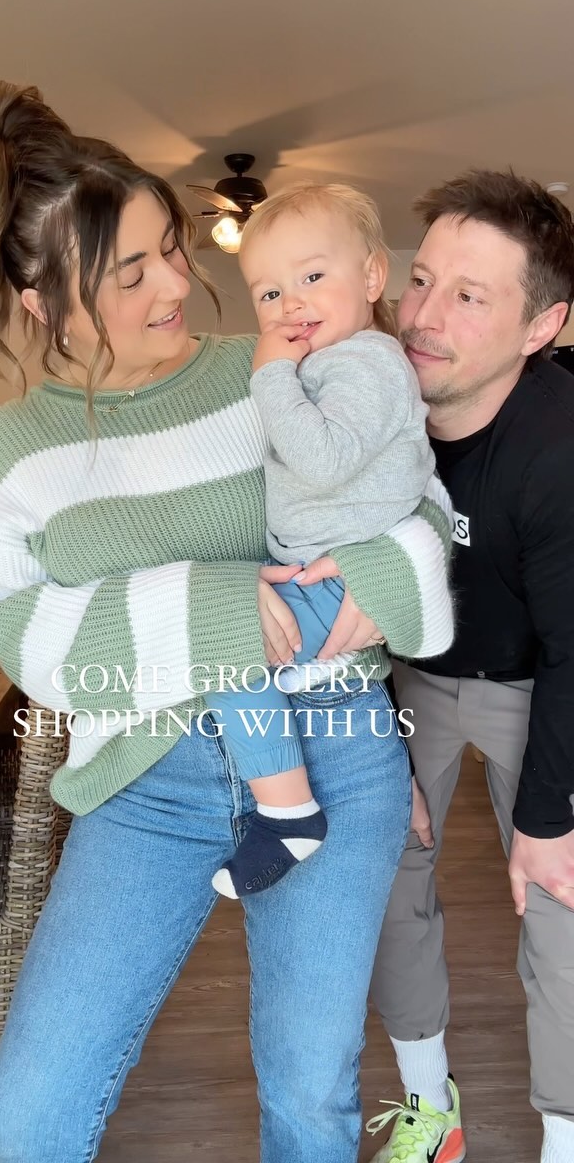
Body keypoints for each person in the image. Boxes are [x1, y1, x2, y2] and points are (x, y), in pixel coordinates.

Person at [0, 80, 452, 1163]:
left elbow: (419, 491)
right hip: (144, 780)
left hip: (336, 749)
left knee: (312, 1098)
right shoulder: (15, 449)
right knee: (32, 1115)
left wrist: (387, 574)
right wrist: (210, 607)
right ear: (40, 300)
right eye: (131, 273)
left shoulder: (278, 366)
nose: (176, 284)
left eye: (170, 247)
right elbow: (29, 639)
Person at [366, 169, 574, 1163]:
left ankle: (566, 1137)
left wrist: (546, 819)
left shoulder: (559, 452)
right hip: (410, 666)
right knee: (379, 862)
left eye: (469, 295)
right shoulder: (371, 410)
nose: (423, 316)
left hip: (542, 677)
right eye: (422, 280)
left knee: (561, 897)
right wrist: (377, 750)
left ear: (542, 327)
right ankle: (430, 1111)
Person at [206, 182, 454, 900]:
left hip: (338, 577)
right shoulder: (331, 363)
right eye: (269, 293)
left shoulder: (365, 363)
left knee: (224, 649)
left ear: (372, 276)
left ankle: (287, 815)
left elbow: (321, 460)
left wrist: (270, 374)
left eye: (313, 276)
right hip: (314, 569)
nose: (292, 304)